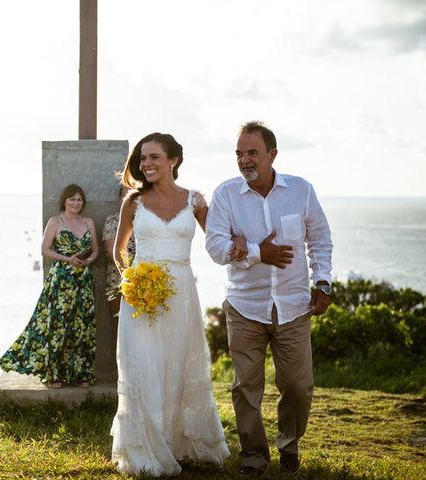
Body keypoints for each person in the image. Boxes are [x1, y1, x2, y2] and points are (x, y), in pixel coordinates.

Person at [205, 121, 333, 475]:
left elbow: (320, 240)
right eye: (239, 154)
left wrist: (322, 283)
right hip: (245, 306)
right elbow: (215, 247)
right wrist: (258, 253)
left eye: (252, 153)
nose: (245, 160)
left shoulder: (301, 191)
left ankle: (289, 444)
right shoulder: (225, 195)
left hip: (294, 306)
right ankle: (254, 455)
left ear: (272, 154)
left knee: (298, 385)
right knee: (246, 386)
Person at [111, 133, 230, 477]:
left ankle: (182, 443)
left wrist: (245, 248)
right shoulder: (133, 201)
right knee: (143, 366)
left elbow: (218, 240)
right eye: (143, 158)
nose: (146, 164)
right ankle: (146, 447)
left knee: (179, 364)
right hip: (141, 298)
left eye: (154, 158)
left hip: (181, 292)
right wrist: (132, 281)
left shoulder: (195, 200)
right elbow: (119, 250)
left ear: (173, 160)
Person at [0, 184, 99, 388]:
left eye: (79, 200)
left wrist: (88, 261)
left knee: (82, 326)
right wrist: (68, 259)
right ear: (64, 201)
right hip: (60, 280)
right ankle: (54, 375)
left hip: (83, 281)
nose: (76, 203)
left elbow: (95, 250)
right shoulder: (55, 221)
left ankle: (81, 374)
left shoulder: (88, 222)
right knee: (58, 326)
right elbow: (45, 250)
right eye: (72, 199)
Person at [101, 184, 135, 321]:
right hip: (118, 278)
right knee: (119, 321)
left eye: (132, 194)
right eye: (125, 195)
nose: (129, 198)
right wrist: (131, 272)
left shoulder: (145, 219)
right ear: (120, 198)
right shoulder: (112, 220)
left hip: (145, 277)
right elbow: (110, 250)